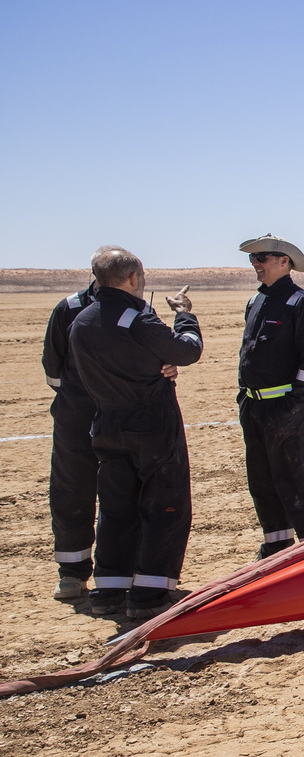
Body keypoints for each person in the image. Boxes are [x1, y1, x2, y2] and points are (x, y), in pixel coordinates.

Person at [65, 246, 204, 620]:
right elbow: (187, 351)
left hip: (107, 425)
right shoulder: (136, 318)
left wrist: (157, 363)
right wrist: (185, 316)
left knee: (115, 508)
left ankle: (109, 589)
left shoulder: (82, 321)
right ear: (131, 279)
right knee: (165, 506)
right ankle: (150, 593)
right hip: (152, 427)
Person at [235, 235, 304, 559]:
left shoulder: (302, 304)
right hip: (254, 408)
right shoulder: (256, 302)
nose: (256, 264)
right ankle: (277, 547)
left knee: (299, 481)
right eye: (253, 259)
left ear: (284, 261)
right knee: (262, 482)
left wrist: (293, 407)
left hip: (287, 410)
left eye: (261, 258)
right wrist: (244, 399)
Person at [42, 277, 99, 601]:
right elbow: (53, 367)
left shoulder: (136, 308)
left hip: (119, 416)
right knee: (72, 491)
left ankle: (117, 573)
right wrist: (79, 399)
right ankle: (72, 573)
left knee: (122, 493)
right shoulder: (69, 308)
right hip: (77, 418)